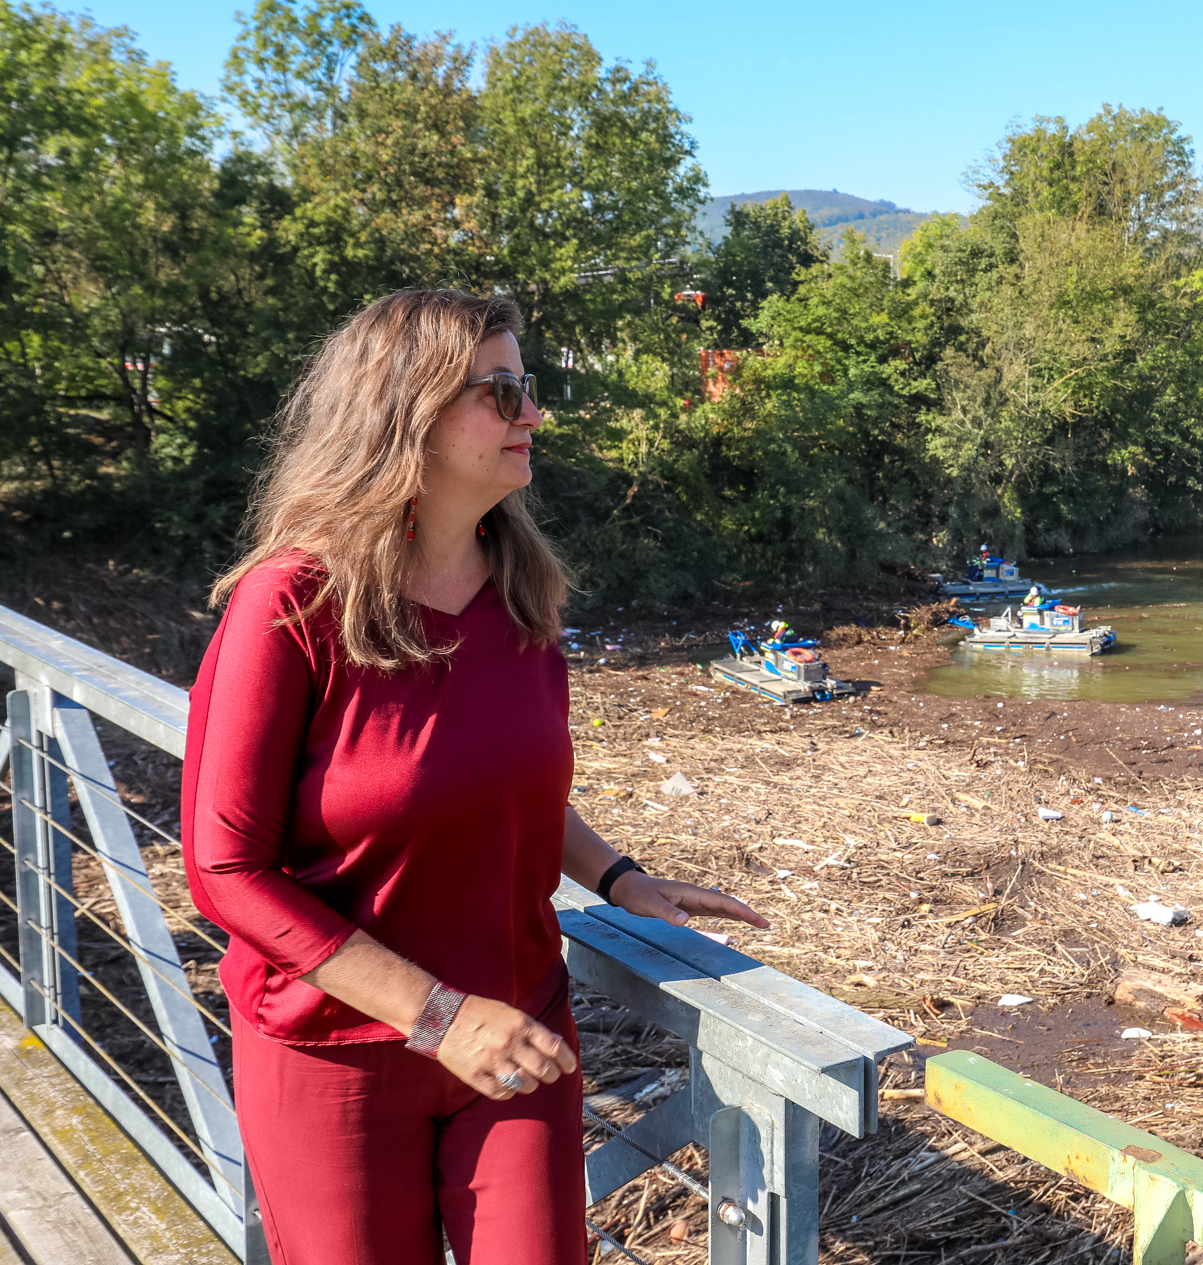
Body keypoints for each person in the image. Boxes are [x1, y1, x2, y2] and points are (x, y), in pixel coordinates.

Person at [182, 290, 766, 1265]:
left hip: (520, 1029)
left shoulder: (522, 596)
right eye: (500, 392)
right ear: (401, 411)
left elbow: (498, 781)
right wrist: (437, 1016)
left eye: (525, 388)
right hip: (336, 1053)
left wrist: (620, 879)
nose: (531, 413)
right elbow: (225, 871)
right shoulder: (291, 603)